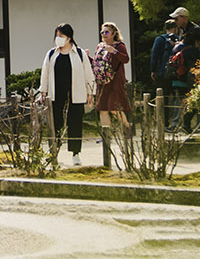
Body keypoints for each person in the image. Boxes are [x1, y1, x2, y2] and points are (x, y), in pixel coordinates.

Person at [37, 23, 95, 164]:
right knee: (55, 122)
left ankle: (75, 154)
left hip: (76, 93)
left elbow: (88, 75)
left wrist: (91, 93)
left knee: (75, 122)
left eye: (61, 36)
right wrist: (43, 92)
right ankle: (54, 152)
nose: (58, 39)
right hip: (56, 93)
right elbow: (45, 74)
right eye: (57, 36)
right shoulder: (51, 54)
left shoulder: (80, 54)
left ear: (69, 38)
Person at [93, 21, 132, 145]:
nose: (104, 34)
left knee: (115, 108)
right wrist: (87, 57)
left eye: (106, 32)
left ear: (114, 33)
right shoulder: (100, 46)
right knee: (103, 108)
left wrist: (113, 51)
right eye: (102, 32)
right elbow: (97, 63)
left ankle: (127, 129)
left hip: (115, 81)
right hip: (103, 81)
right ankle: (106, 136)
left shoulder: (119, 46)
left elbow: (125, 59)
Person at [166, 7, 200, 132]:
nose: (175, 21)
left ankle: (187, 122)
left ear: (184, 17)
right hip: (183, 68)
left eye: (177, 18)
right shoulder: (183, 31)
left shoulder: (195, 30)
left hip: (193, 66)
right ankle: (182, 124)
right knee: (182, 96)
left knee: (194, 95)